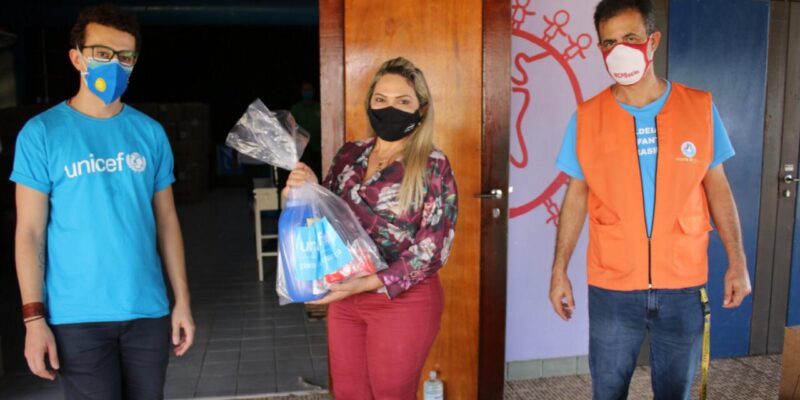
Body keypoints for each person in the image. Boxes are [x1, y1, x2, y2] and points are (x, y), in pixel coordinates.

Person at [548, 0, 751, 399]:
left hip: (683, 284)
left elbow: (718, 188)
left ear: (652, 41)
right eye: (609, 43)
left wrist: (737, 261)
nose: (619, 50)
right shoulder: (587, 117)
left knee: (675, 392)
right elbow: (575, 196)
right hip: (612, 284)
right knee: (608, 391)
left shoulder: (699, 108)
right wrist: (559, 270)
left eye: (631, 38)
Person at [11, 5, 194, 399]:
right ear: (77, 57)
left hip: (147, 311)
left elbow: (166, 221)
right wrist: (33, 319)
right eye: (102, 53)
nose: (114, 65)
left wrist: (182, 301)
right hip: (77, 319)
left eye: (125, 57)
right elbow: (29, 232)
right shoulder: (41, 134)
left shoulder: (150, 133)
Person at [284, 57, 458, 399]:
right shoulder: (350, 154)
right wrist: (302, 190)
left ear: (421, 109)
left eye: (403, 101)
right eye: (380, 99)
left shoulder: (433, 165)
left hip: (402, 300)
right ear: (369, 104)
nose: (389, 108)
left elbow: (433, 249)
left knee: (391, 393)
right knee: (349, 392)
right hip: (346, 297)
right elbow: (325, 217)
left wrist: (368, 282)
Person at [290, 81, 322, 178]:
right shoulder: (295, 109)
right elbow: (291, 128)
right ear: (301, 92)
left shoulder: (320, 107)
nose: (307, 92)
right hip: (303, 151)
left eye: (309, 90)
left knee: (319, 174)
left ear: (314, 91)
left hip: (319, 148)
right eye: (305, 90)